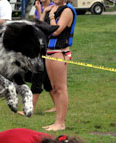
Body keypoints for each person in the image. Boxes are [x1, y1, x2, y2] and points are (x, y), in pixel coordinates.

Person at [41, 0, 77, 131]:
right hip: (49, 52)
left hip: (59, 52)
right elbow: (40, 26)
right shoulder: (53, 9)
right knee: (54, 88)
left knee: (61, 88)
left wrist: (50, 16)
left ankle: (61, 123)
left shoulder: (67, 10)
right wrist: (44, 11)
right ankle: (57, 121)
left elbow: (55, 31)